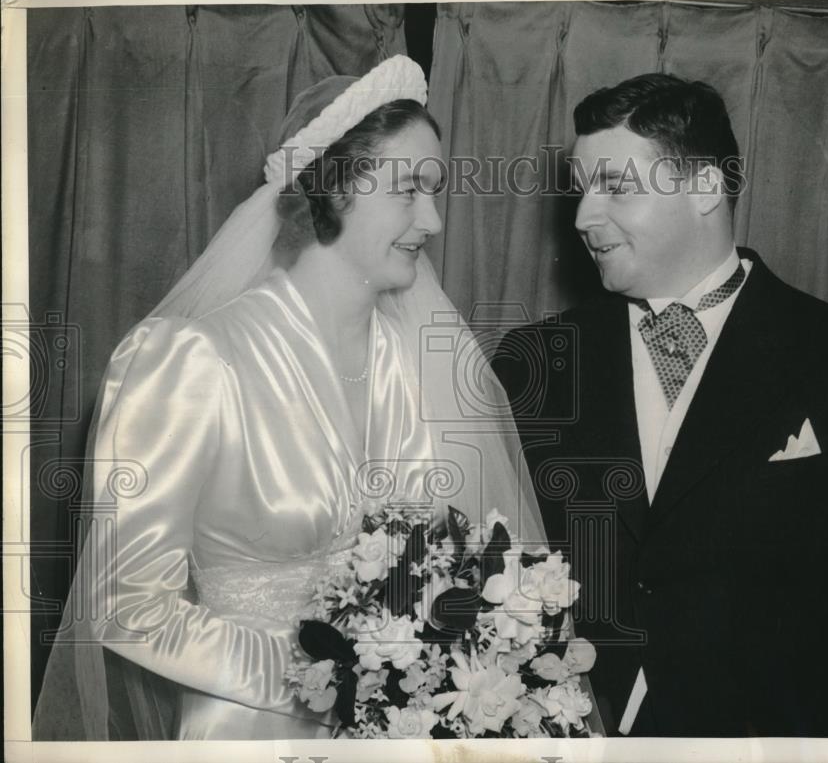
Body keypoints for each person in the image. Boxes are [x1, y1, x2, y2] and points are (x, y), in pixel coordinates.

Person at [33, 55, 546, 741]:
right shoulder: (190, 361)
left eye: (436, 191)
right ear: (333, 188)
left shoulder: (425, 368)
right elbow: (126, 603)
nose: (433, 220)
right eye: (408, 190)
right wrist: (335, 675)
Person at [492, 72, 828, 737]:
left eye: (615, 187)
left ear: (705, 186)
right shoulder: (533, 363)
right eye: (582, 190)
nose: (584, 217)